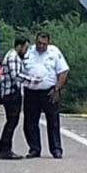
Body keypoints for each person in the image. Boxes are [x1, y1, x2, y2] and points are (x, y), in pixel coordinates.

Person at [23, 31, 70, 159]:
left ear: (48, 43)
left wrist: (57, 88)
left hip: (49, 92)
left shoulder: (54, 53)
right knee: (30, 122)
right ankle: (34, 148)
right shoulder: (28, 52)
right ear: (35, 41)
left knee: (53, 122)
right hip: (31, 91)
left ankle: (56, 149)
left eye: (44, 44)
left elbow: (63, 71)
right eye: (39, 43)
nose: (41, 46)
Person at [0, 37, 37, 159]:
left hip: (12, 93)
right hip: (11, 94)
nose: (26, 51)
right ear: (20, 46)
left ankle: (5, 148)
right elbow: (16, 75)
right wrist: (32, 80)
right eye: (26, 48)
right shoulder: (13, 57)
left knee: (12, 121)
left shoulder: (13, 56)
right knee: (12, 122)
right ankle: (5, 148)